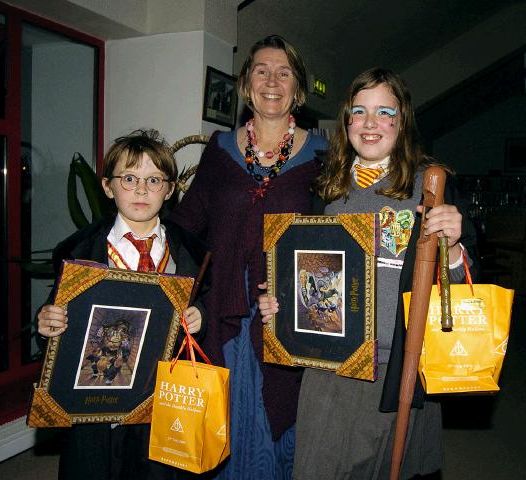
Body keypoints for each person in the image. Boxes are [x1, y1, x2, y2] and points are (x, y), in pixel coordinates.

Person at [259, 68, 479, 479]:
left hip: (400, 364)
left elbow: (467, 285)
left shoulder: (431, 186)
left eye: (384, 112)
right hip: (332, 366)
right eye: (359, 112)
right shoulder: (324, 187)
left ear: (402, 120)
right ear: (346, 122)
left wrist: (452, 246)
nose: (370, 123)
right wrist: (280, 303)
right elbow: (300, 271)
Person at [170, 35, 328, 478]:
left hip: (285, 314)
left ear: (298, 89)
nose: (272, 81)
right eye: (261, 70)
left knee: (276, 421)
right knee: (224, 419)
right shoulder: (220, 151)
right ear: (245, 83)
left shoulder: (323, 157)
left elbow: (341, 232)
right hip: (223, 308)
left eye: (284, 72)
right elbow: (185, 227)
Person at [37, 129, 207, 480]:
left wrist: (200, 315)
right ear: (107, 186)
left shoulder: (192, 251)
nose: (141, 190)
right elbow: (54, 317)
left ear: (170, 189)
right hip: (97, 407)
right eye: (129, 178)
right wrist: (47, 323)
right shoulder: (78, 251)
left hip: (161, 402)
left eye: (154, 180)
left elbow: (208, 300)